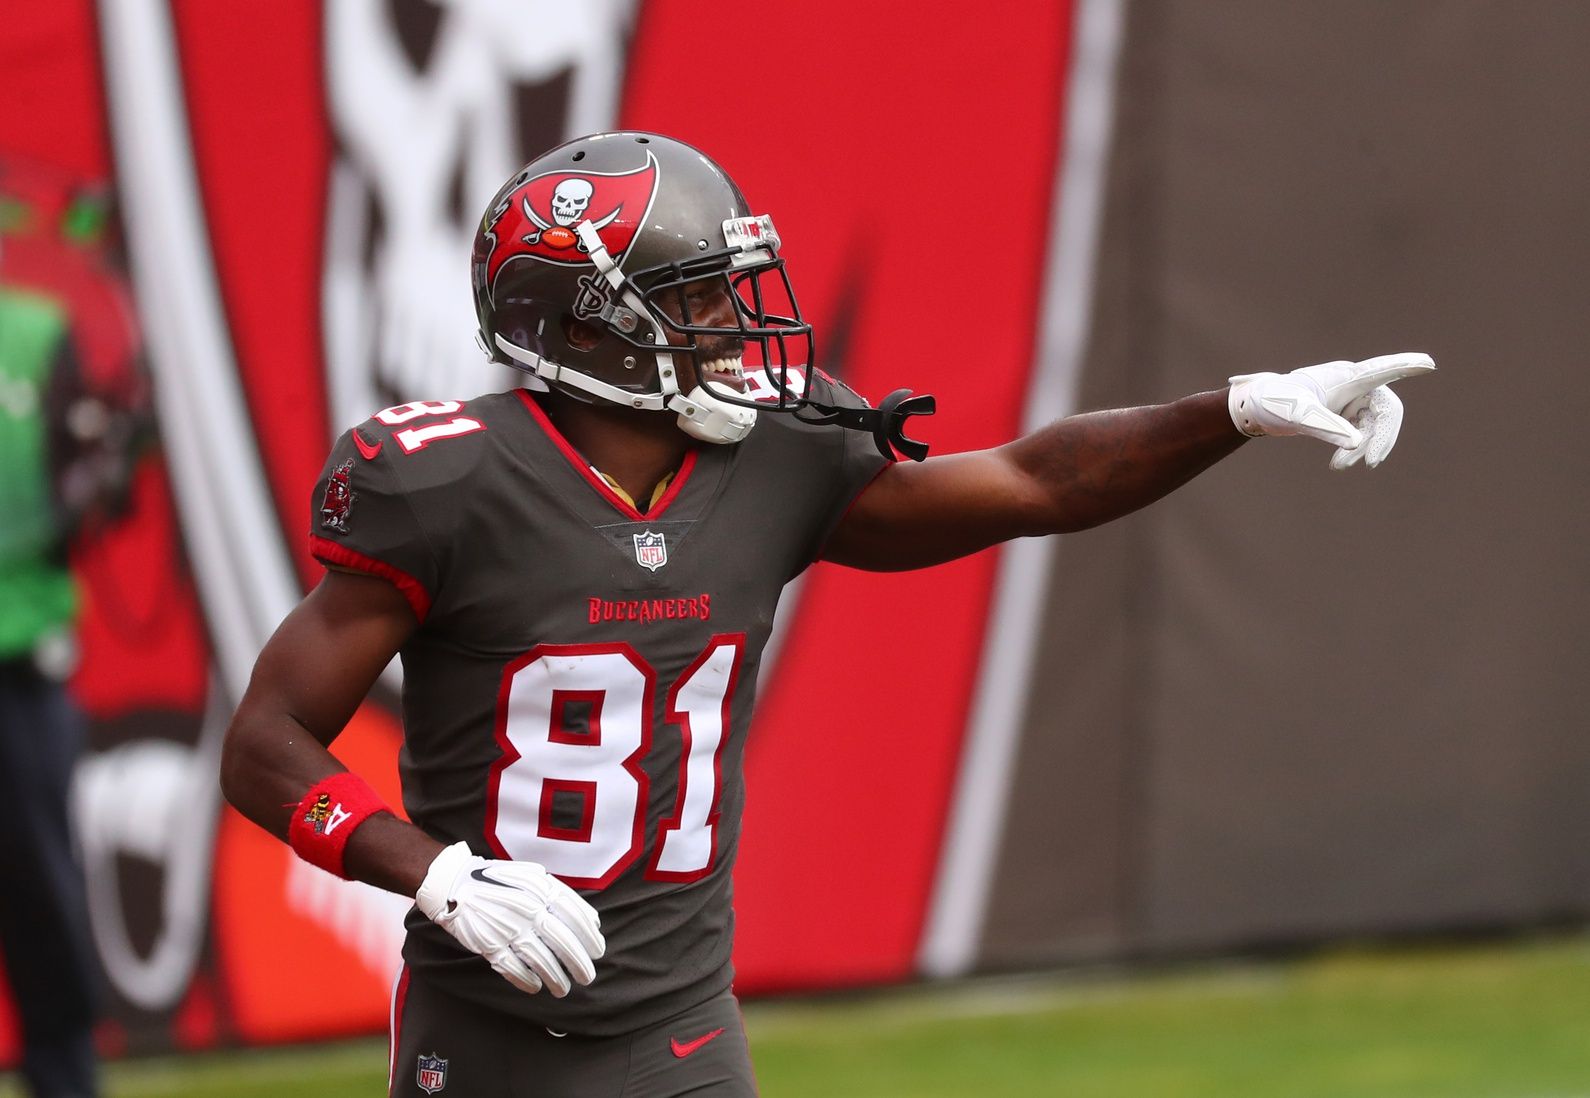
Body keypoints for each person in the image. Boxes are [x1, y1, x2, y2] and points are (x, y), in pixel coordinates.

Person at [219, 131, 1432, 1097]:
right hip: (478, 1030)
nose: (738, 324)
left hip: (677, 1032)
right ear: (594, 327)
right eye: (697, 299)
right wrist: (433, 876)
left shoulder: (777, 459)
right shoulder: (447, 483)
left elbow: (1032, 482)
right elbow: (266, 744)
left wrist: (1235, 410)